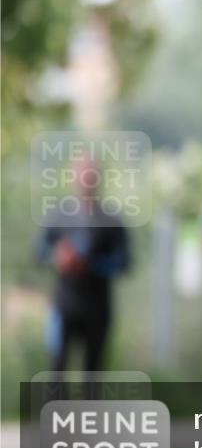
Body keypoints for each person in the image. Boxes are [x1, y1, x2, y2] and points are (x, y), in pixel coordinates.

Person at [37, 157, 131, 373]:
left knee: (92, 372)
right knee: (57, 367)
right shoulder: (59, 215)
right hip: (64, 303)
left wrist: (91, 265)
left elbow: (124, 261)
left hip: (97, 305)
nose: (86, 180)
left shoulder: (111, 219)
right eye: (82, 175)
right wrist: (57, 257)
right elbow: (39, 252)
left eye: (91, 175)